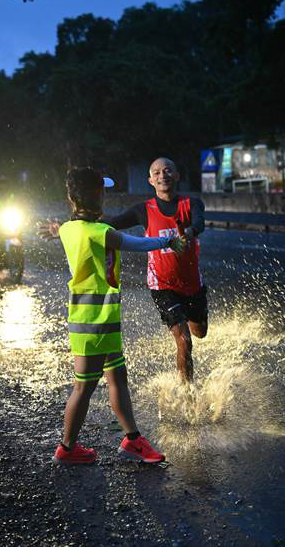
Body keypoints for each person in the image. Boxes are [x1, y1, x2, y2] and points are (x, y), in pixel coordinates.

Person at [51, 166, 186, 465]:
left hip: (97, 319)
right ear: (98, 194)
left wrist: (52, 229)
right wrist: (168, 242)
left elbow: (64, 230)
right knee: (84, 386)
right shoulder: (101, 233)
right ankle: (67, 449)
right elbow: (137, 244)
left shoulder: (68, 229)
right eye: (103, 190)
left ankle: (132, 440)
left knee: (117, 378)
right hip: (95, 321)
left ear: (71, 198)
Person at [40, 158, 207, 383]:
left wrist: (188, 231)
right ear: (150, 181)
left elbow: (199, 223)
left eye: (168, 171)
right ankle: (187, 394)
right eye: (156, 173)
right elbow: (103, 226)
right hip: (161, 284)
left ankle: (187, 329)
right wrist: (64, 228)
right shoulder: (144, 210)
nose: (162, 175)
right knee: (184, 340)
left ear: (177, 176)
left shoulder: (193, 203)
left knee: (200, 332)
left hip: (192, 283)